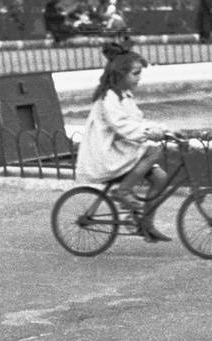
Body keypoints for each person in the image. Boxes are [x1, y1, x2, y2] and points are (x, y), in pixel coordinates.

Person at [74, 49, 173, 243]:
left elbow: (137, 121)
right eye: (135, 73)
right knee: (154, 150)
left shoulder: (124, 96)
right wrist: (149, 133)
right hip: (106, 154)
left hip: (121, 151)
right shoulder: (108, 98)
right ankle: (123, 192)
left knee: (160, 178)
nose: (139, 78)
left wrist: (164, 130)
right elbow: (123, 126)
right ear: (121, 74)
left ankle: (146, 223)